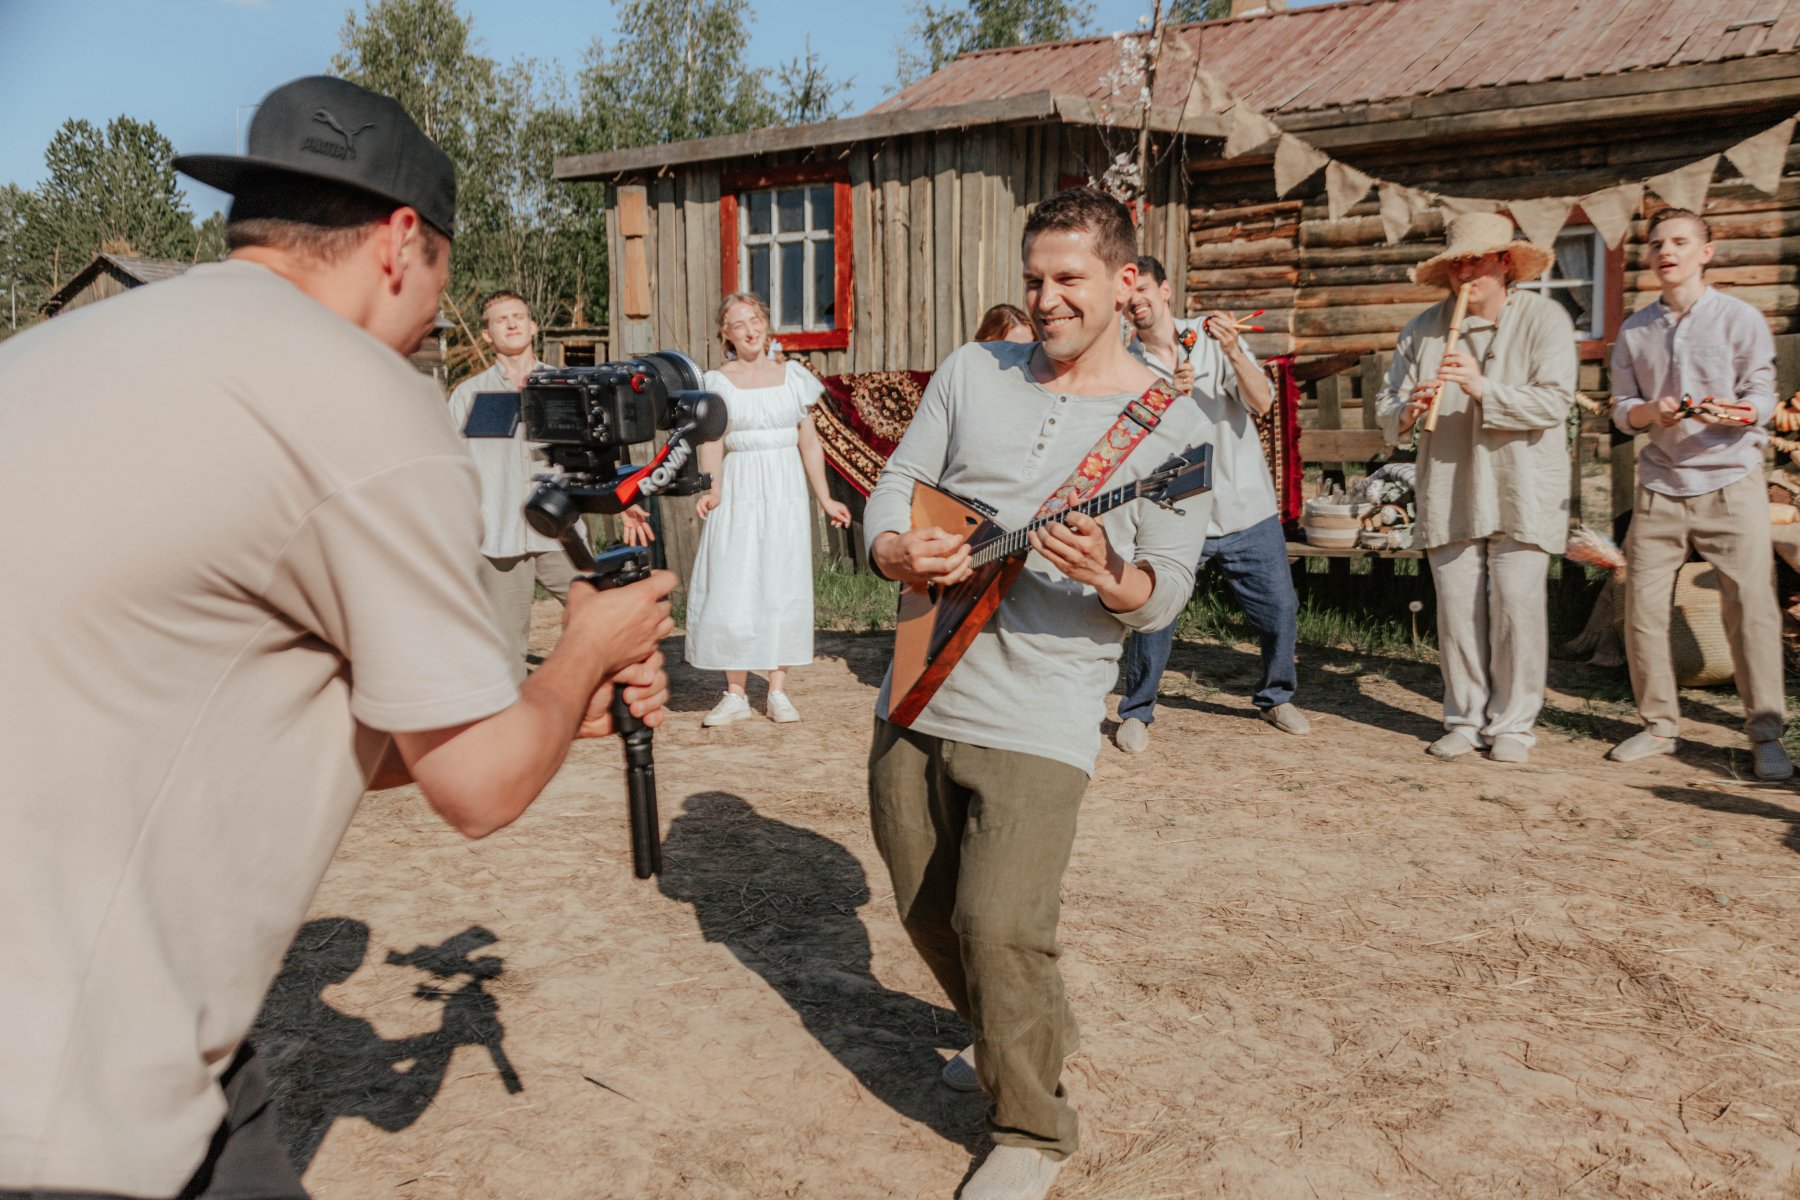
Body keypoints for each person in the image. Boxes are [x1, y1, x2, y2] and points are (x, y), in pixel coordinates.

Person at [0, 76, 674, 1200]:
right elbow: (479, 789)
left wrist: (552, 717)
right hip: (63, 1084)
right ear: (403, 241)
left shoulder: (47, 358)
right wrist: (582, 654)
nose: (430, 321)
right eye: (444, 286)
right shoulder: (360, 393)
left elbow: (216, 714)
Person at [864, 188, 1212, 1200]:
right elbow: (896, 481)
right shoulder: (973, 372)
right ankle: (1016, 1031)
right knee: (929, 913)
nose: (1048, 299)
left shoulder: (1173, 424)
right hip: (921, 682)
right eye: (1034, 280)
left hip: (1046, 701)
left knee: (1001, 922)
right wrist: (896, 546)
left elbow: (1165, 591)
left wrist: (1112, 573)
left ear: (1125, 283)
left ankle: (1030, 1127)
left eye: (1069, 279)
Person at [1376, 212, 1577, 765]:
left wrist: (1481, 386)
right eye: (1457, 262)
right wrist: (1408, 410)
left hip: (1521, 485)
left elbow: (1554, 402)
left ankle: (1513, 723)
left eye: (1478, 260)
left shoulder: (1545, 320)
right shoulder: (1423, 328)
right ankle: (1465, 717)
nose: (1466, 273)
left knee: (1516, 607)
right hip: (1451, 481)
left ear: (1505, 263)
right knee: (1458, 609)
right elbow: (1385, 407)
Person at [1606, 207, 1792, 781]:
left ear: (1705, 253)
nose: (1667, 251)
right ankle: (1659, 726)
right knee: (1641, 609)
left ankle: (1766, 735)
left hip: (1731, 482)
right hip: (1660, 486)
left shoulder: (1740, 318)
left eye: (1680, 242)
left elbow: (1762, 393)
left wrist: (1737, 411)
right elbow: (1620, 411)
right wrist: (1648, 411)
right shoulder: (1635, 330)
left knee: (1753, 611)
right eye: (1658, 243)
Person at [1115, 254, 1308, 751]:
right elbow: (1126, 441)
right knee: (1156, 609)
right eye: (1127, 298)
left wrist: (1235, 353)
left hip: (1243, 497)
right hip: (1176, 504)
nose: (1137, 304)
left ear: (1164, 290)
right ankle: (1137, 711)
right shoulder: (1124, 362)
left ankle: (1276, 696)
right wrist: (1163, 399)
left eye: (1144, 292)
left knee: (1279, 608)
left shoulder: (1210, 335)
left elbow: (1262, 403)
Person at [447, 291, 653, 682]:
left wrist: (622, 500)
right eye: (500, 319)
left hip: (561, 529)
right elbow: (449, 468)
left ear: (533, 326)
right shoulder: (467, 395)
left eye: (518, 316)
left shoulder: (568, 384)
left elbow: (600, 449)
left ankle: (610, 692)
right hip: (499, 534)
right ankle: (515, 726)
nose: (511, 324)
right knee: (506, 647)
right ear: (487, 333)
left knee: (596, 611)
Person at [685, 291, 852, 725]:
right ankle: (736, 693)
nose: (749, 329)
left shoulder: (793, 376)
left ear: (766, 323)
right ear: (726, 333)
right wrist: (711, 489)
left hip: (784, 488)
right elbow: (712, 441)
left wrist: (825, 497)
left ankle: (777, 690)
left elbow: (809, 442)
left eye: (754, 319)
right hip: (739, 487)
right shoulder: (717, 382)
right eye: (738, 323)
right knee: (734, 580)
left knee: (781, 580)